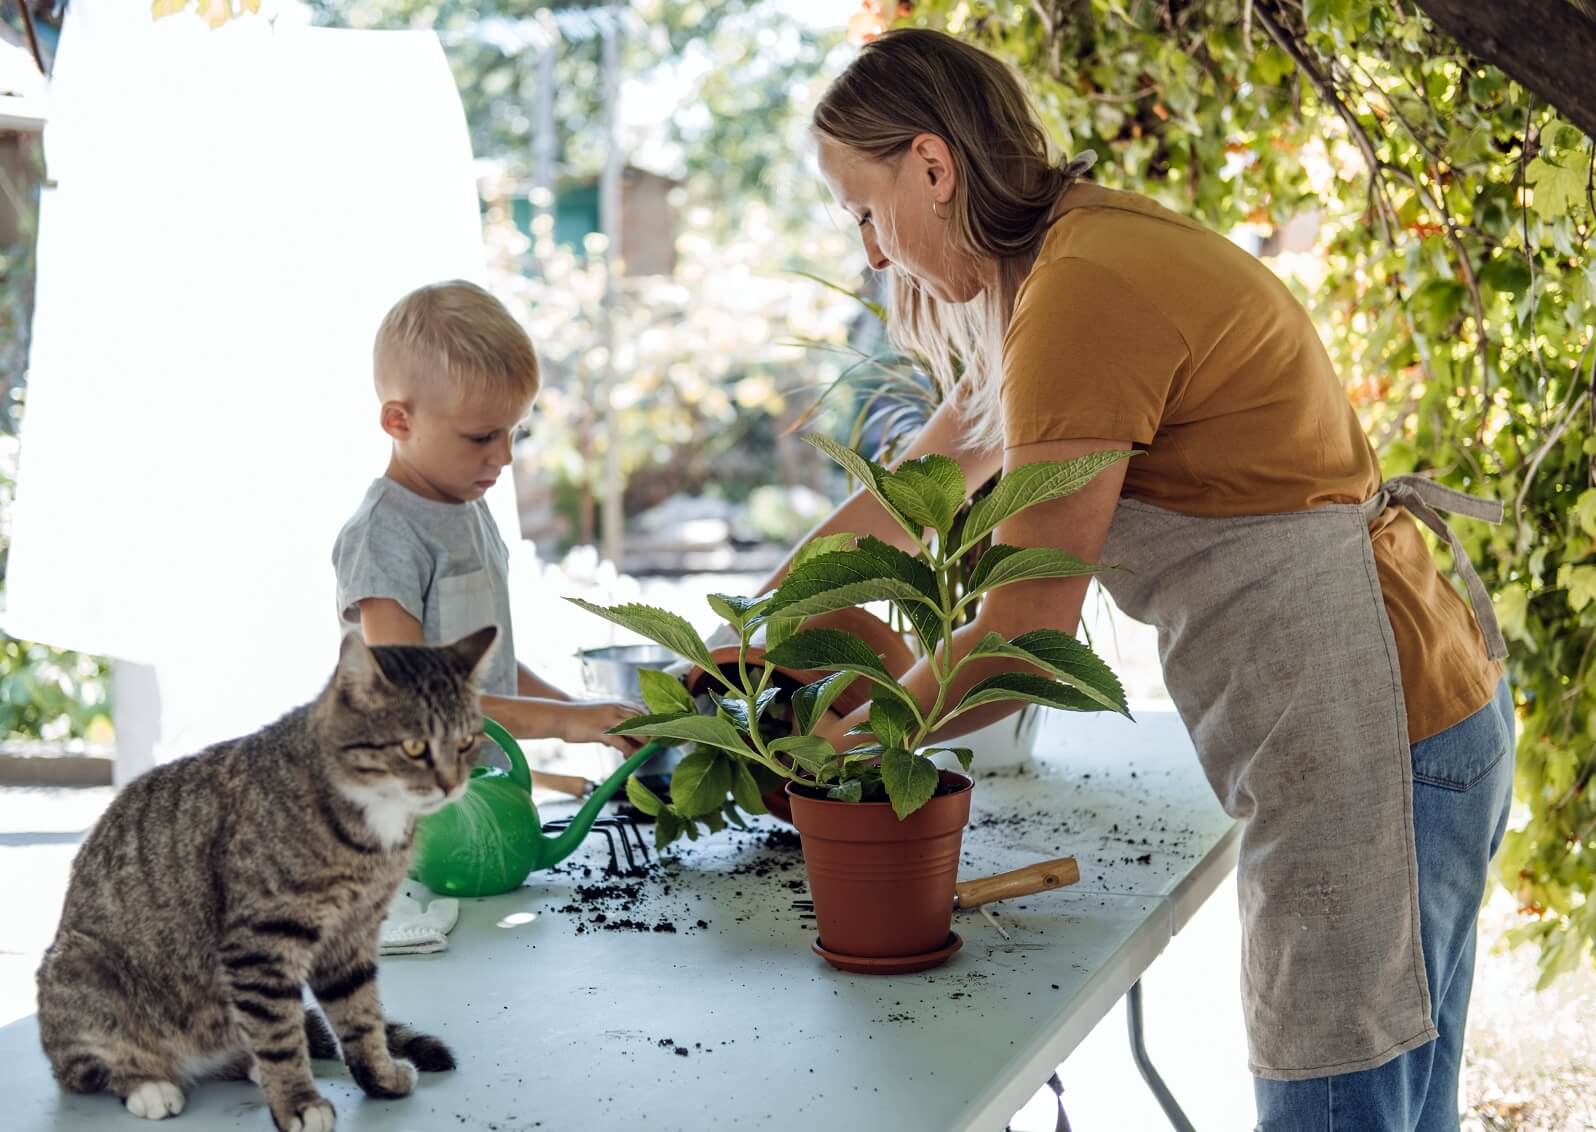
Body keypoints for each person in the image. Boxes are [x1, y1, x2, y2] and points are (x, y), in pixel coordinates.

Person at [782, 28, 1513, 1130]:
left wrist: (858, 746)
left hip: (1375, 738)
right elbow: (940, 459)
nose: (875, 253)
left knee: (1336, 1102)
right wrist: (776, 605)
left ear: (932, 167)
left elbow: (1024, 633)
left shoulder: (1084, 293)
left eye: (865, 212)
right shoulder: (1070, 262)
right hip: (1405, 713)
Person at [332, 279, 640, 753]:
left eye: (514, 432)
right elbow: (416, 699)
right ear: (399, 421)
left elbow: (493, 672)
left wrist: (589, 720)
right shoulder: (383, 537)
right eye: (481, 437)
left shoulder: (469, 509)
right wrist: (566, 721)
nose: (505, 457)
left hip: (485, 792)